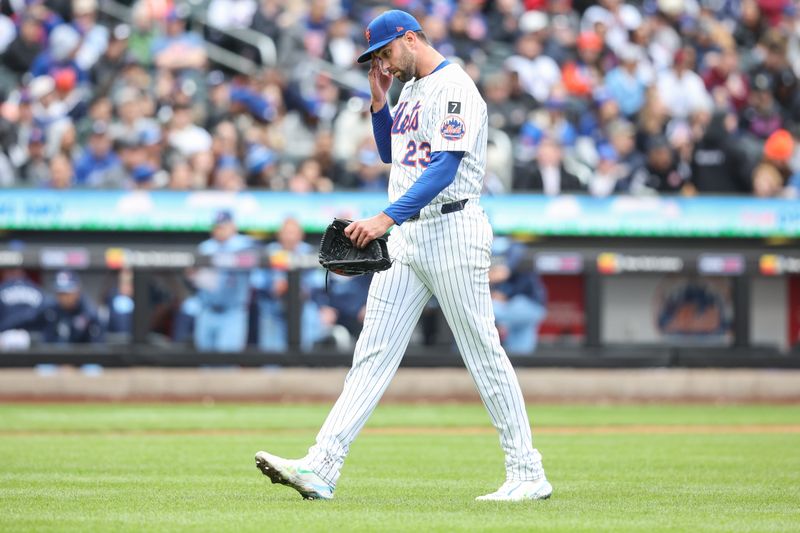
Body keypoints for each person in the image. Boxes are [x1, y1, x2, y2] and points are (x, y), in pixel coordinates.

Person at [255, 9, 552, 503]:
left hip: (452, 228)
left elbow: (443, 169)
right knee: (371, 354)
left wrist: (383, 219)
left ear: (412, 39)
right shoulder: (407, 89)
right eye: (375, 58)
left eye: (386, 52)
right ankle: (322, 466)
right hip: (409, 238)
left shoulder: (453, 86)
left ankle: (527, 471)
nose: (383, 64)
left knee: (481, 352)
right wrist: (378, 103)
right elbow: (394, 155)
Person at [193, 210, 254, 351]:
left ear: (233, 226)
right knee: (205, 361)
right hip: (207, 310)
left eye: (224, 226)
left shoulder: (244, 244)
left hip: (233, 312)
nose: (220, 230)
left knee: (227, 363)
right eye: (217, 226)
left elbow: (256, 251)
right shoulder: (206, 247)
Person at [490, 238, 548, 355]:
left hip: (528, 305)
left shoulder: (515, 249)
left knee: (487, 310)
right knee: (519, 354)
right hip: (525, 312)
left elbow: (503, 273)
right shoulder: (491, 251)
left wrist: (505, 294)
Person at [40, 270, 104, 344]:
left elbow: (97, 346)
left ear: (77, 291)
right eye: (60, 293)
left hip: (82, 354)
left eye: (66, 293)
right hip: (55, 354)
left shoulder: (89, 312)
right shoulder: (50, 310)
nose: (63, 298)